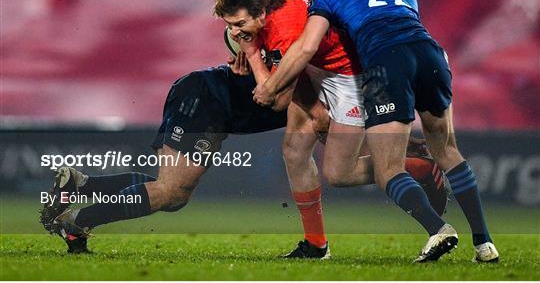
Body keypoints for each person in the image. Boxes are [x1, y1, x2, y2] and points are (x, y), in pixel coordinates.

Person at [253, 0, 498, 263]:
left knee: (388, 169)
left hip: (388, 63)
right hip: (432, 54)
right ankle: (485, 245)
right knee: (447, 149)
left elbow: (308, 46)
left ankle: (438, 230)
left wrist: (272, 84)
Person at [40, 55, 445, 255]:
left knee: (173, 195)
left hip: (213, 104)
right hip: (205, 98)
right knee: (169, 193)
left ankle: (82, 187)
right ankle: (79, 221)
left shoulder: (326, 84)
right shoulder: (322, 86)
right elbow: (334, 136)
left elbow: (337, 136)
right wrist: (407, 157)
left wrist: (405, 149)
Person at [214, 0, 446, 259]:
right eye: (229, 25)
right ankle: (316, 244)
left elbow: (276, 99)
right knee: (295, 149)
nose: (234, 32)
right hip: (319, 65)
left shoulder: (283, 30)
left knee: (340, 173)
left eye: (240, 25)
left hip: (351, 78)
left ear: (259, 12)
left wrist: (251, 53)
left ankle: (421, 167)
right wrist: (251, 39)